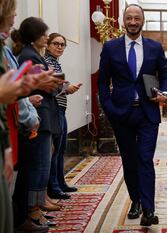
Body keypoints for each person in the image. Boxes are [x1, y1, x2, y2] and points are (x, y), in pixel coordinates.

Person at [98, 4, 167, 226]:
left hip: (148, 113)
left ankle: (149, 210)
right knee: (129, 161)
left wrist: (165, 92)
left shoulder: (155, 47)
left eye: (136, 18)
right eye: (128, 18)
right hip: (121, 114)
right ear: (122, 20)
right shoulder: (110, 47)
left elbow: (165, 76)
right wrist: (109, 109)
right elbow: (102, 82)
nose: (132, 22)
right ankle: (136, 200)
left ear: (143, 20)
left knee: (145, 159)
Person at [15, 16, 63, 229]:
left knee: (43, 164)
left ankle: (37, 210)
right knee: (40, 166)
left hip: (45, 113)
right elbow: (46, 86)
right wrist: (56, 84)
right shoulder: (30, 56)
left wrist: (55, 84)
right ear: (34, 36)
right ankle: (33, 212)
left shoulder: (35, 55)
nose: (46, 36)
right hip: (40, 116)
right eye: (44, 33)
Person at [45, 33, 81, 200]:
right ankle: (53, 186)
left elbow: (59, 84)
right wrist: (67, 88)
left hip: (60, 109)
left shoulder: (55, 63)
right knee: (55, 150)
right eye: (56, 44)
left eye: (62, 45)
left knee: (60, 149)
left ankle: (60, 182)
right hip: (54, 110)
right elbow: (53, 85)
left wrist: (66, 87)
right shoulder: (48, 61)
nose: (59, 47)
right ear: (48, 45)